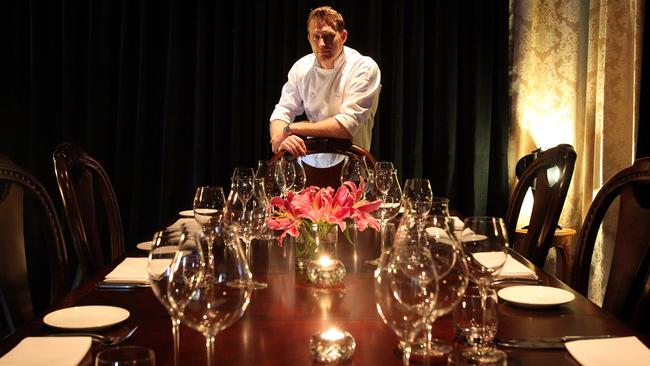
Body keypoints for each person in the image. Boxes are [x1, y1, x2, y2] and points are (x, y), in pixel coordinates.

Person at [269, 6, 381, 167]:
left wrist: (291, 128)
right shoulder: (301, 67)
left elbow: (346, 126)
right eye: (316, 36)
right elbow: (282, 110)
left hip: (353, 162)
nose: (322, 43)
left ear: (343, 36)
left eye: (328, 36)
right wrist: (280, 138)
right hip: (309, 161)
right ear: (309, 38)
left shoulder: (363, 67)